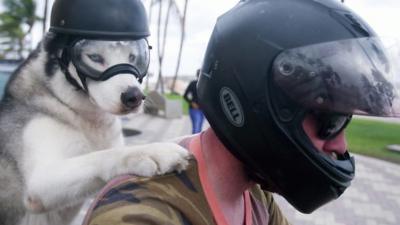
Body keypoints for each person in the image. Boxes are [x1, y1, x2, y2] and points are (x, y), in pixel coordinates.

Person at [83, 0, 400, 224]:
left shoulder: (254, 196)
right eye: (331, 121)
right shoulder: (139, 215)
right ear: (260, 103)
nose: (340, 146)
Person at [184, 69, 205, 134]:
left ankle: (197, 143)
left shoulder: (205, 84)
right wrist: (192, 102)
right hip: (194, 109)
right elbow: (185, 95)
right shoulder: (193, 83)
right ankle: (193, 143)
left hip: (204, 110)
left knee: (200, 129)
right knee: (196, 129)